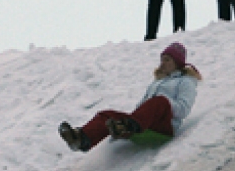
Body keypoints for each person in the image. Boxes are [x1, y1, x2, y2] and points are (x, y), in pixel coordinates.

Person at [59, 43, 202, 152]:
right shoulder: (157, 82)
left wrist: (163, 102)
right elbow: (143, 106)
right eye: (162, 59)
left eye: (167, 60)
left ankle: (127, 126)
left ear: (177, 63)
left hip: (164, 127)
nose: (162, 63)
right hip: (142, 124)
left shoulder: (186, 81)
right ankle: (81, 139)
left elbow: (183, 109)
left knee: (160, 101)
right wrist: (130, 116)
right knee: (107, 114)